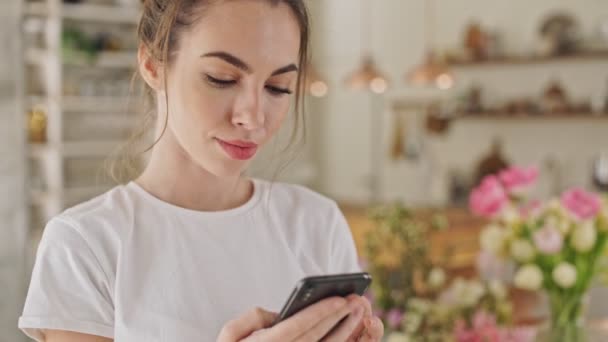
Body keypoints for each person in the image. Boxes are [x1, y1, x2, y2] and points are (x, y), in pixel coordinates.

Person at [18, 0, 384, 341]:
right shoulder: (84, 245)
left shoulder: (317, 223)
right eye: (221, 78)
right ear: (152, 65)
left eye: (277, 87)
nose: (253, 117)